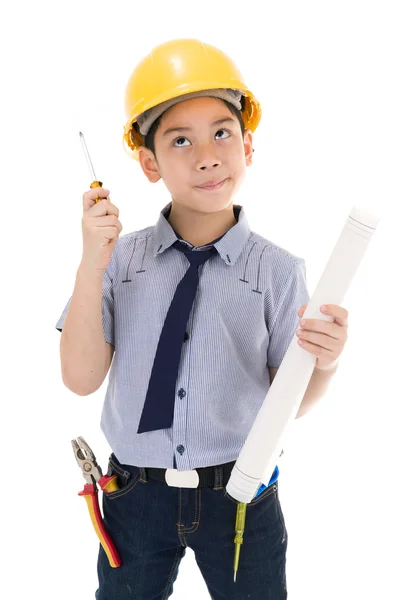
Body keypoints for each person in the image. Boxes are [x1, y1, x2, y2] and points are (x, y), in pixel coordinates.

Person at [56, 38, 315, 599]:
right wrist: (89, 268)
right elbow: (79, 378)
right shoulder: (119, 261)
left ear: (248, 144)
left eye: (222, 132)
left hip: (241, 489)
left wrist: (328, 360)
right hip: (134, 493)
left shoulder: (277, 270)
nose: (206, 155)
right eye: (180, 140)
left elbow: (290, 401)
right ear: (149, 163)